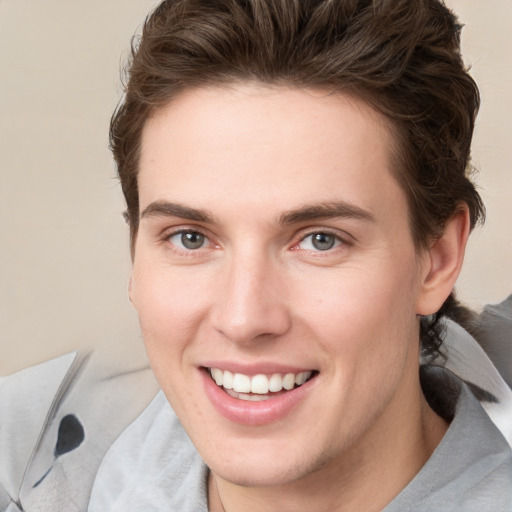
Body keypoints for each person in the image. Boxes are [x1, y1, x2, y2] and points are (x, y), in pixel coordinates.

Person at [1, 1, 511, 511]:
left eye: (320, 240)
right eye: (191, 238)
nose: (243, 320)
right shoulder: (34, 458)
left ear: (438, 258)